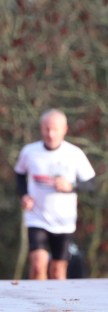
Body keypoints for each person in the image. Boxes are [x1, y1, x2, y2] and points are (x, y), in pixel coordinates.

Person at [14, 109, 96, 280]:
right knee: (38, 265)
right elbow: (20, 174)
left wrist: (71, 185)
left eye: (55, 129)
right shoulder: (29, 152)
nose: (50, 134)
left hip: (64, 221)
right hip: (37, 218)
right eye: (46, 129)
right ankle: (36, 305)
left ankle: (57, 307)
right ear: (41, 128)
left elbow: (91, 184)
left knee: (58, 271)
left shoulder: (74, 154)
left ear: (64, 129)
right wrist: (23, 195)